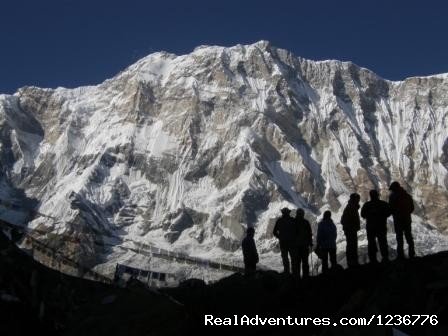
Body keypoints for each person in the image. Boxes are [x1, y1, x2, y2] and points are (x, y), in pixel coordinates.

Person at [361, 190, 392, 263]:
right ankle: (385, 258)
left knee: (371, 243)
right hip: (381, 226)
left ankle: (373, 259)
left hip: (371, 228)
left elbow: (362, 215)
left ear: (370, 195)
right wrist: (382, 216)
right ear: (377, 195)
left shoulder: (367, 205)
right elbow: (389, 212)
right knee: (383, 242)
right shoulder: (383, 204)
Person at [389, 182, 415, 258]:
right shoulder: (407, 196)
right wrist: (406, 213)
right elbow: (412, 208)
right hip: (407, 219)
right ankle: (412, 254)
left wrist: (396, 213)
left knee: (399, 238)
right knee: (409, 236)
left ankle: (400, 255)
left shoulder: (392, 197)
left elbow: (391, 208)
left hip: (398, 220)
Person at [273, 207, 298, 276]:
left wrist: (280, 237)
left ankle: (286, 272)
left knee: (285, 258)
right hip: (292, 243)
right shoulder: (292, 220)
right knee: (293, 258)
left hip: (283, 243)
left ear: (282, 213)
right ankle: (294, 273)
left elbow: (274, 232)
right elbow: (297, 231)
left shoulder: (279, 221)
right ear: (289, 213)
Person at [340, 193, 361, 267]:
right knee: (351, 246)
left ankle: (353, 262)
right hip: (351, 230)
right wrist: (351, 226)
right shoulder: (351, 208)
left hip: (351, 230)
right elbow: (343, 220)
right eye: (358, 199)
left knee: (352, 246)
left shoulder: (351, 207)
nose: (359, 201)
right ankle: (352, 263)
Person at [295, 209, 313, 278]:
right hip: (305, 246)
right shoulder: (306, 222)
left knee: (297, 263)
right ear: (303, 214)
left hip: (296, 247)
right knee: (305, 262)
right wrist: (310, 242)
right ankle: (306, 277)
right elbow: (309, 234)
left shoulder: (294, 222)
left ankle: (297, 278)